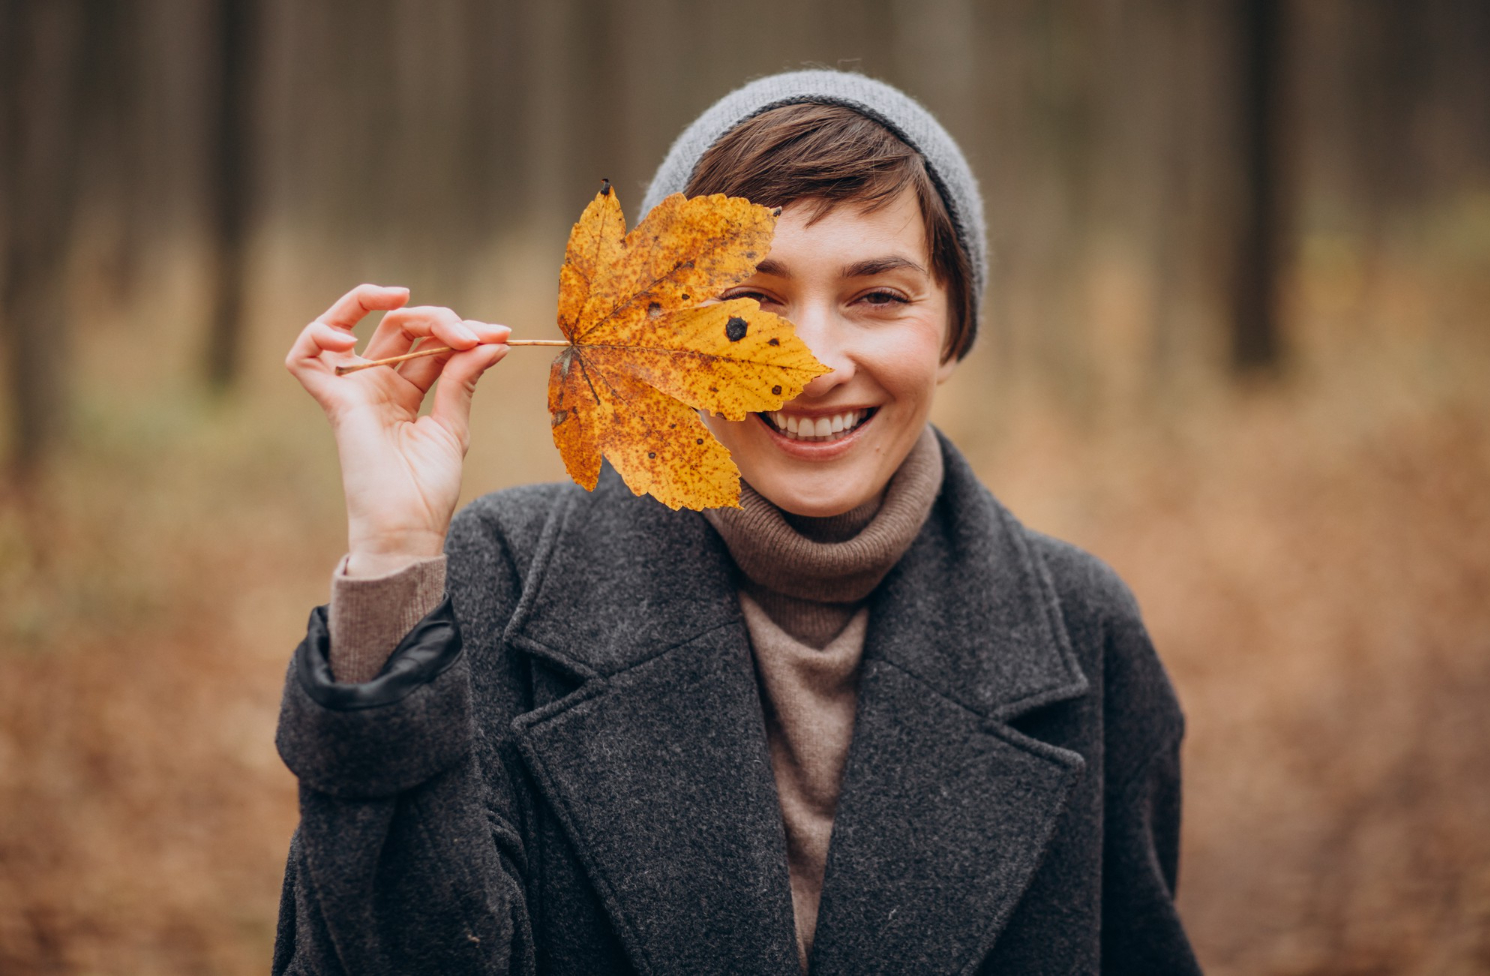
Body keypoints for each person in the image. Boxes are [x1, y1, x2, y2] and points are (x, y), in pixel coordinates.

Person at [273, 70, 1201, 976]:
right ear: (655, 335)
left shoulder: (1089, 635)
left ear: (954, 330)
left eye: (877, 296)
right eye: (751, 303)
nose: (807, 363)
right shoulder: (497, 579)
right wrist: (394, 556)